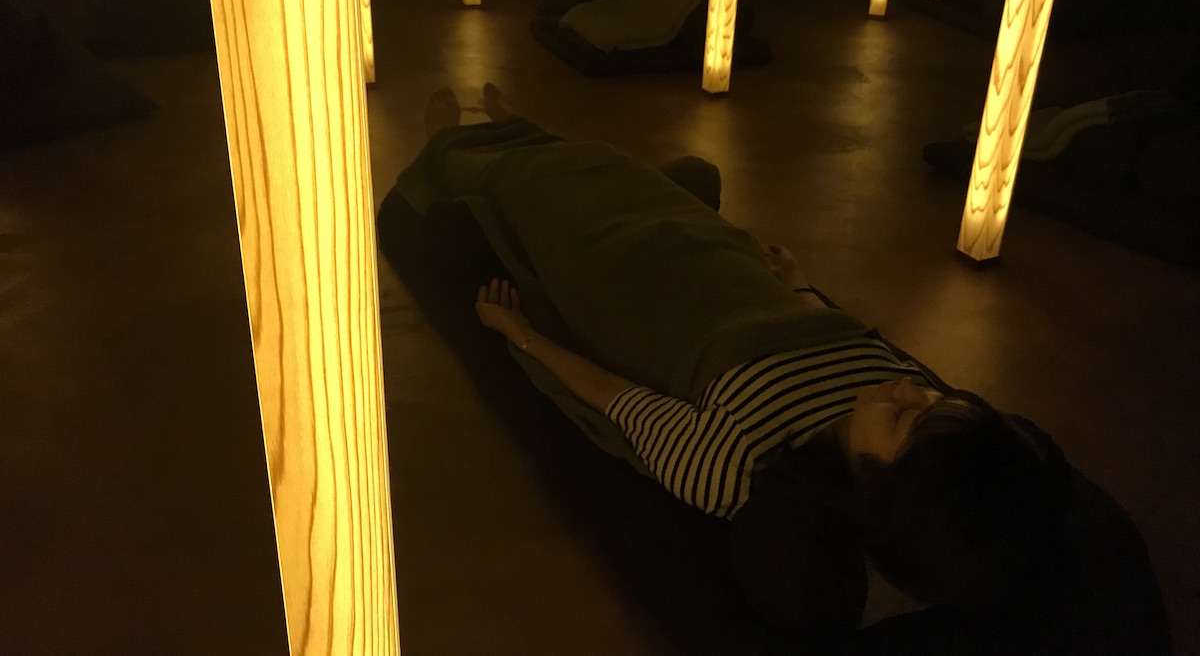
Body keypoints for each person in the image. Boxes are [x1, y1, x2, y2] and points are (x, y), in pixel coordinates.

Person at [404, 85, 1072, 617]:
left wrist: (520, 334)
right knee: (618, 171)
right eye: (928, 397)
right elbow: (841, 334)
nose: (907, 387)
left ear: (873, 492)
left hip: (640, 290)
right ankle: (523, 132)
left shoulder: (743, 469)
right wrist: (799, 284)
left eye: (904, 417)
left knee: (542, 188)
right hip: (729, 269)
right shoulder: (904, 398)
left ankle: (450, 146)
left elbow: (618, 400)